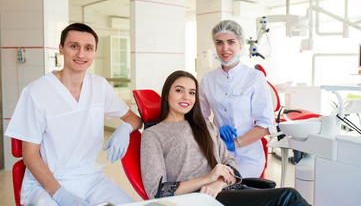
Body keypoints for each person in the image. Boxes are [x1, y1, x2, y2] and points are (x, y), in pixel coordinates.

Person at [5, 23, 142, 206]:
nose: (81, 54)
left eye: (88, 48)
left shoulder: (99, 86)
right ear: (61, 49)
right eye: (74, 46)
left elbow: (134, 118)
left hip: (91, 180)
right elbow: (29, 155)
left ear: (94, 53)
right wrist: (61, 195)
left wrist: (125, 128)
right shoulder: (36, 92)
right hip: (45, 185)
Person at [141, 70, 310, 206]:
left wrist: (219, 183)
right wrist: (207, 180)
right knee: (287, 197)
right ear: (166, 94)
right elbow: (157, 190)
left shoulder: (206, 126)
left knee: (288, 197)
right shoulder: (153, 135)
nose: (186, 97)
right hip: (197, 199)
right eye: (179, 90)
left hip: (226, 189)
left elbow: (230, 163)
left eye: (192, 93)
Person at [199, 20, 274, 178]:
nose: (225, 48)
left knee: (226, 183)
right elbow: (200, 118)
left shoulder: (254, 78)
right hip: (217, 153)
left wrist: (235, 143)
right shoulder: (208, 79)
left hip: (249, 157)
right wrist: (214, 133)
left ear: (240, 45)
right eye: (219, 43)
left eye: (231, 42)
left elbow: (266, 124)